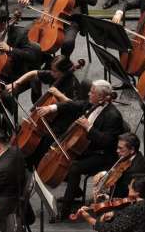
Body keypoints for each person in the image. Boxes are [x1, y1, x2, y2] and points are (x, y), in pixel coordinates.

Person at [34, 79, 126, 220]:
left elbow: (106, 142)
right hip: (90, 148)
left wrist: (88, 127)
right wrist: (51, 108)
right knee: (62, 156)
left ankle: (65, 211)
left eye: (92, 92)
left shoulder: (113, 116)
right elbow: (73, 105)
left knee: (74, 167)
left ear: (101, 97)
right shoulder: (94, 104)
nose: (89, 94)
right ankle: (74, 191)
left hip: (103, 155)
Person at [91, 133, 145, 200]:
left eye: (120, 148)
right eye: (117, 147)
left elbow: (126, 195)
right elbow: (117, 169)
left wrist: (105, 195)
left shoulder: (136, 170)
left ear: (132, 150)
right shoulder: (128, 156)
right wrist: (104, 174)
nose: (117, 151)